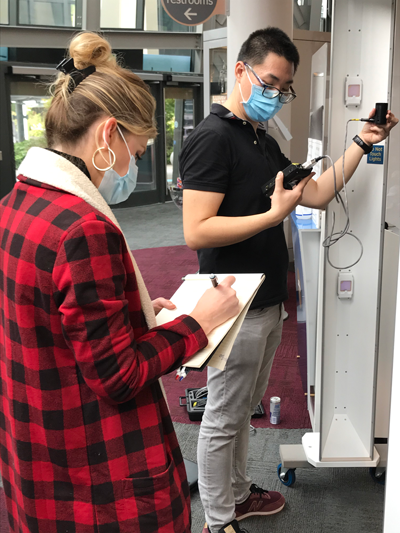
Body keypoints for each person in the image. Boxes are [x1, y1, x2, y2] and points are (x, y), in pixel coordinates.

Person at [0, 32, 240, 533]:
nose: (135, 164)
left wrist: (129, 312)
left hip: (37, 453)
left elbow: (48, 321)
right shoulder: (83, 228)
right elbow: (119, 377)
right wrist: (199, 323)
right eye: (139, 149)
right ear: (108, 135)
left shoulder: (16, 205)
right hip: (99, 477)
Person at [179, 27, 398, 533]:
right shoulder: (211, 139)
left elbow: (316, 193)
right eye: (270, 82)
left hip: (267, 297)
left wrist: (362, 143)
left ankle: (236, 494)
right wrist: (272, 215)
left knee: (241, 414)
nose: (275, 94)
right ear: (241, 71)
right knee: (222, 418)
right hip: (231, 302)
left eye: (284, 87)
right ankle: (217, 521)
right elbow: (197, 230)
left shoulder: (260, 136)